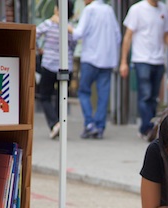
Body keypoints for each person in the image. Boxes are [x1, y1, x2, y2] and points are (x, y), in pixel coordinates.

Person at [120, 0, 168, 140]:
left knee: (153, 98)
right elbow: (128, 37)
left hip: (158, 60)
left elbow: (166, 34)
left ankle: (148, 128)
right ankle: (148, 128)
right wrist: (123, 62)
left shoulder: (163, 9)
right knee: (145, 96)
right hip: (142, 60)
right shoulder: (137, 9)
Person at [73, 0, 121, 140]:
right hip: (107, 61)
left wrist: (68, 27)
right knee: (103, 95)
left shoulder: (89, 10)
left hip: (90, 58)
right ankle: (99, 127)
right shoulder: (109, 10)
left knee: (83, 91)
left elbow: (78, 33)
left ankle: (89, 124)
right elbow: (117, 36)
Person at [36, 1, 77, 139]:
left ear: (57, 10)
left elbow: (34, 34)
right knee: (62, 97)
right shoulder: (70, 28)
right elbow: (73, 45)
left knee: (45, 96)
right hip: (66, 67)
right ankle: (59, 124)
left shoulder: (48, 24)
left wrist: (38, 49)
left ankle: (54, 123)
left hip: (49, 65)